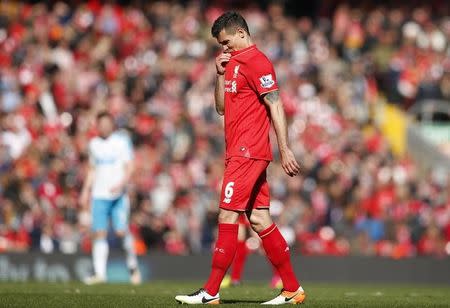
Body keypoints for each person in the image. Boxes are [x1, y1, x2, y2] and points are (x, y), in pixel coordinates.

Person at [175, 12, 305, 305]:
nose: (224, 48)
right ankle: (292, 288)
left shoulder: (258, 62)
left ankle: (210, 291)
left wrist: (285, 149)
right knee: (259, 219)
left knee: (227, 215)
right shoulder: (232, 64)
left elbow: (276, 105)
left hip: (248, 152)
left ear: (241, 34)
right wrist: (219, 76)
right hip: (238, 151)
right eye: (221, 45)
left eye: (226, 42)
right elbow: (221, 108)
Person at [80, 111, 141, 285]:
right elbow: (92, 169)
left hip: (118, 195)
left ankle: (132, 265)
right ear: (97, 126)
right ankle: (100, 274)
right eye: (101, 124)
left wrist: (122, 184)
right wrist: (85, 190)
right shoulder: (94, 144)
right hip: (99, 195)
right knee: (99, 233)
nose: (104, 127)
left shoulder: (121, 141)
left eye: (107, 123)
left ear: (112, 125)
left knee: (121, 231)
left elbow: (130, 166)